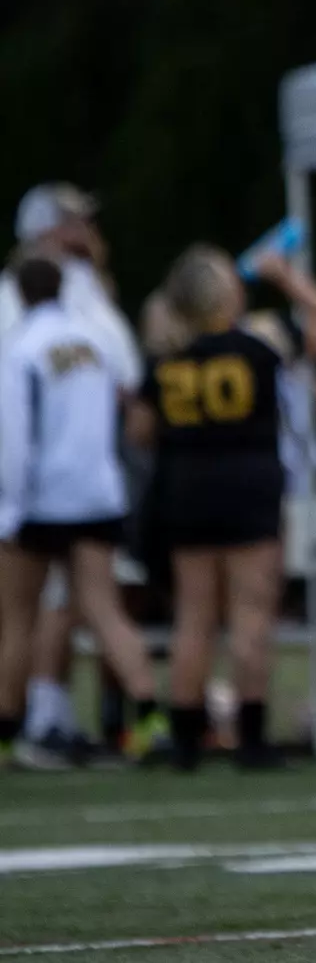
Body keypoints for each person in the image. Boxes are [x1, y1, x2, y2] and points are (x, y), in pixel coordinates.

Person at [126, 245, 316, 769]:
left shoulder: (165, 356)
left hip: (186, 488)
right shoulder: (257, 342)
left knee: (193, 618)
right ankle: (251, 738)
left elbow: (138, 432)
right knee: (251, 614)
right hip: (248, 486)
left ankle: (186, 739)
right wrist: (288, 278)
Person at [0, 255, 165, 767]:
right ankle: (148, 715)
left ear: (21, 294)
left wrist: (10, 505)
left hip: (42, 499)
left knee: (17, 618)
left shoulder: (20, 346)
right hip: (98, 492)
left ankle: (6, 729)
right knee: (102, 607)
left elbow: (14, 436)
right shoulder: (94, 342)